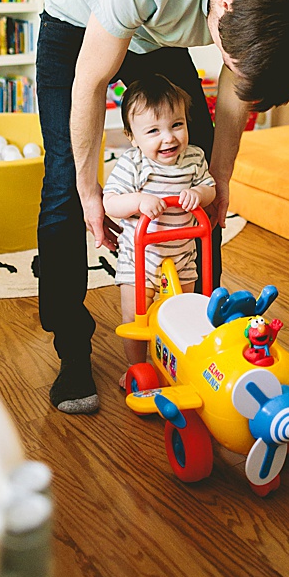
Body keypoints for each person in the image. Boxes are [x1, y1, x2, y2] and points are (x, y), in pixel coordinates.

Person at [36, 0, 289, 413]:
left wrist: (219, 181)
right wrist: (93, 192)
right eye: (228, 59)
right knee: (66, 186)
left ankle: (202, 327)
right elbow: (90, 85)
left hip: (151, 28)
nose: (231, 70)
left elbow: (236, 90)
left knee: (198, 173)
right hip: (79, 23)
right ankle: (72, 346)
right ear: (224, 11)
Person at [101, 75, 215, 377]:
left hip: (182, 256)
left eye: (177, 125)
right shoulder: (133, 164)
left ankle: (181, 367)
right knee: (136, 316)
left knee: (185, 314)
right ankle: (136, 366)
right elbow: (110, 203)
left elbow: (210, 187)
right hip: (141, 261)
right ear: (132, 137)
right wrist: (138, 200)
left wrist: (199, 194)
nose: (169, 138)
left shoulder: (194, 158)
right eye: (153, 131)